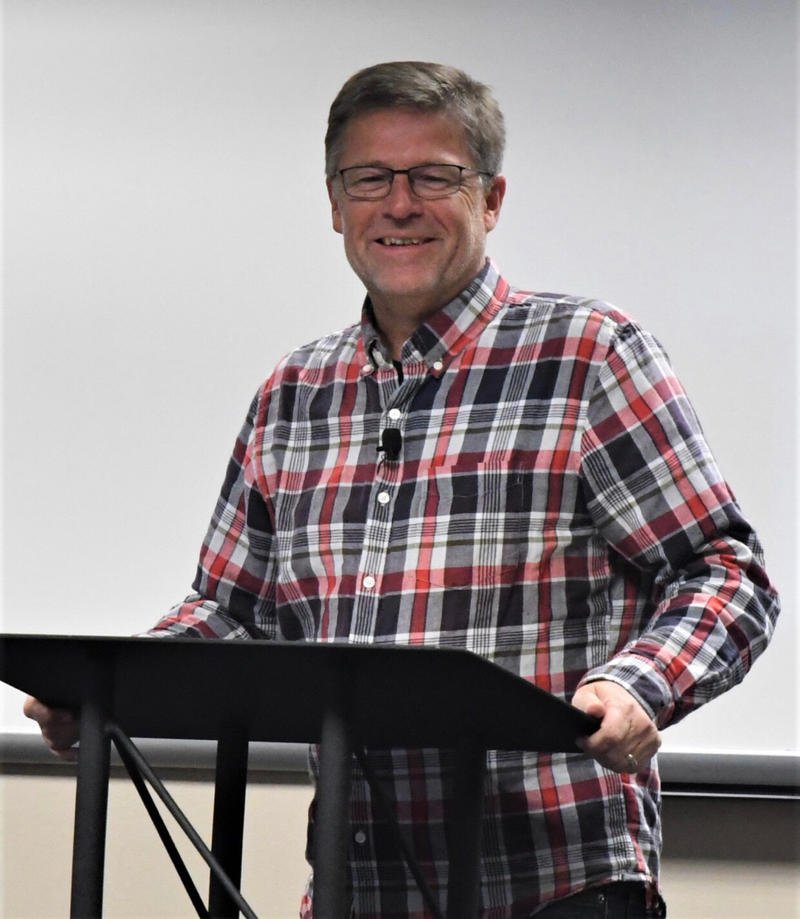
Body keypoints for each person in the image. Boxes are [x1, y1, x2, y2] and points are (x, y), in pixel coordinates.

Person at [25, 61, 779, 918]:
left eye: (434, 176)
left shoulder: (588, 355)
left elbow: (722, 571)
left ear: (491, 199)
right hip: (358, 887)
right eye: (370, 179)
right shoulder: (295, 390)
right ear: (335, 203)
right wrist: (115, 685)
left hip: (553, 885)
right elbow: (236, 611)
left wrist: (639, 683)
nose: (399, 204)